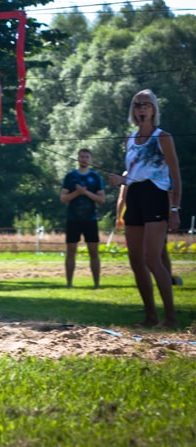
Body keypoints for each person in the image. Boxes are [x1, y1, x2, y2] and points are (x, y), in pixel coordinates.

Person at [109, 89, 181, 329]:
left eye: (147, 105)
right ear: (133, 110)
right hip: (135, 197)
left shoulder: (163, 137)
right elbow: (133, 173)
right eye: (138, 104)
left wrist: (175, 208)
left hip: (156, 196)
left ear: (154, 110)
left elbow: (175, 175)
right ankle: (150, 316)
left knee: (153, 258)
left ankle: (170, 318)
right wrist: (121, 181)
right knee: (135, 259)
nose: (142, 108)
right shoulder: (129, 139)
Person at [115, 176, 181, 286]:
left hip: (156, 213)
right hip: (137, 215)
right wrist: (119, 217)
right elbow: (122, 198)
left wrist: (171, 213)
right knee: (141, 254)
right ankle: (152, 281)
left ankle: (167, 280)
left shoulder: (158, 172)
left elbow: (169, 194)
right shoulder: (127, 175)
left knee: (161, 251)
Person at [59, 148, 105, 288]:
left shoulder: (96, 177)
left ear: (90, 159)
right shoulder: (70, 177)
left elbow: (101, 199)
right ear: (78, 159)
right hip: (73, 219)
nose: (84, 159)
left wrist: (86, 193)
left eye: (87, 157)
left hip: (90, 219)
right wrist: (77, 193)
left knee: (93, 251)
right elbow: (63, 198)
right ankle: (69, 283)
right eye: (82, 156)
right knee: (71, 251)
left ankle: (96, 284)